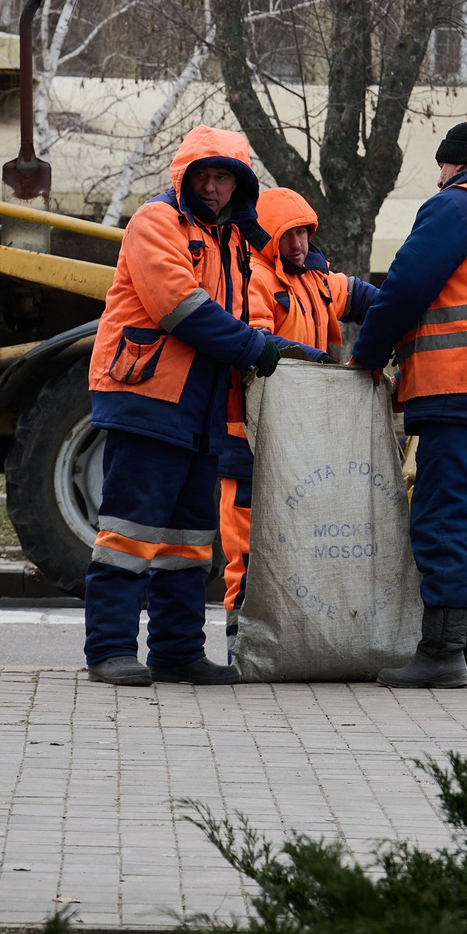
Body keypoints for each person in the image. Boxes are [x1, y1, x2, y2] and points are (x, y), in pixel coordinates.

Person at [84, 126, 303, 687]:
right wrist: (256, 348)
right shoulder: (156, 222)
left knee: (188, 540)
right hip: (148, 397)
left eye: (222, 177)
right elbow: (180, 308)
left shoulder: (231, 238)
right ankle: (109, 650)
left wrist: (272, 347)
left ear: (238, 183)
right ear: (184, 178)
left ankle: (177, 651)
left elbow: (237, 316)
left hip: (200, 405)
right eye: (203, 176)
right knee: (131, 530)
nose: (212, 187)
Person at [349, 121, 467, 688]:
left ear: (456, 163)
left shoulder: (458, 205)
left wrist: (368, 354)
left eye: (442, 166)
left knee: (444, 518)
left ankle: (440, 654)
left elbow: (406, 286)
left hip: (458, 383)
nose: (438, 177)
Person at [216, 187, 381, 640]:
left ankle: (292, 641)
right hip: (249, 438)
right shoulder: (254, 278)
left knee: (301, 544)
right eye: (289, 235)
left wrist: (400, 316)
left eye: (305, 233)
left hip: (304, 438)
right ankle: (243, 643)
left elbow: (369, 300)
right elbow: (261, 345)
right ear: (269, 238)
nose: (299, 245)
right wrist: (323, 364)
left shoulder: (318, 278)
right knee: (247, 547)